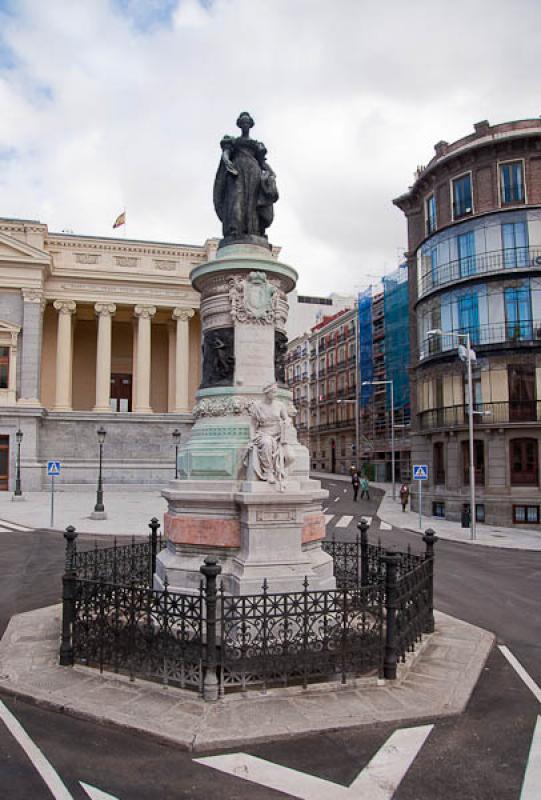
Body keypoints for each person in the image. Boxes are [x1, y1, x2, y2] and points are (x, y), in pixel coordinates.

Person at [213, 112, 279, 239]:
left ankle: (253, 230)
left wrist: (271, 173)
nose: (245, 125)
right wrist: (227, 161)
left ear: (250, 125)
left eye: (247, 123)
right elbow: (226, 154)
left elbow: (262, 162)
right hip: (236, 172)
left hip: (254, 173)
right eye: (243, 123)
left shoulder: (256, 144)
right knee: (236, 200)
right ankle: (235, 229)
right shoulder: (233, 141)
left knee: (252, 202)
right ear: (239, 124)